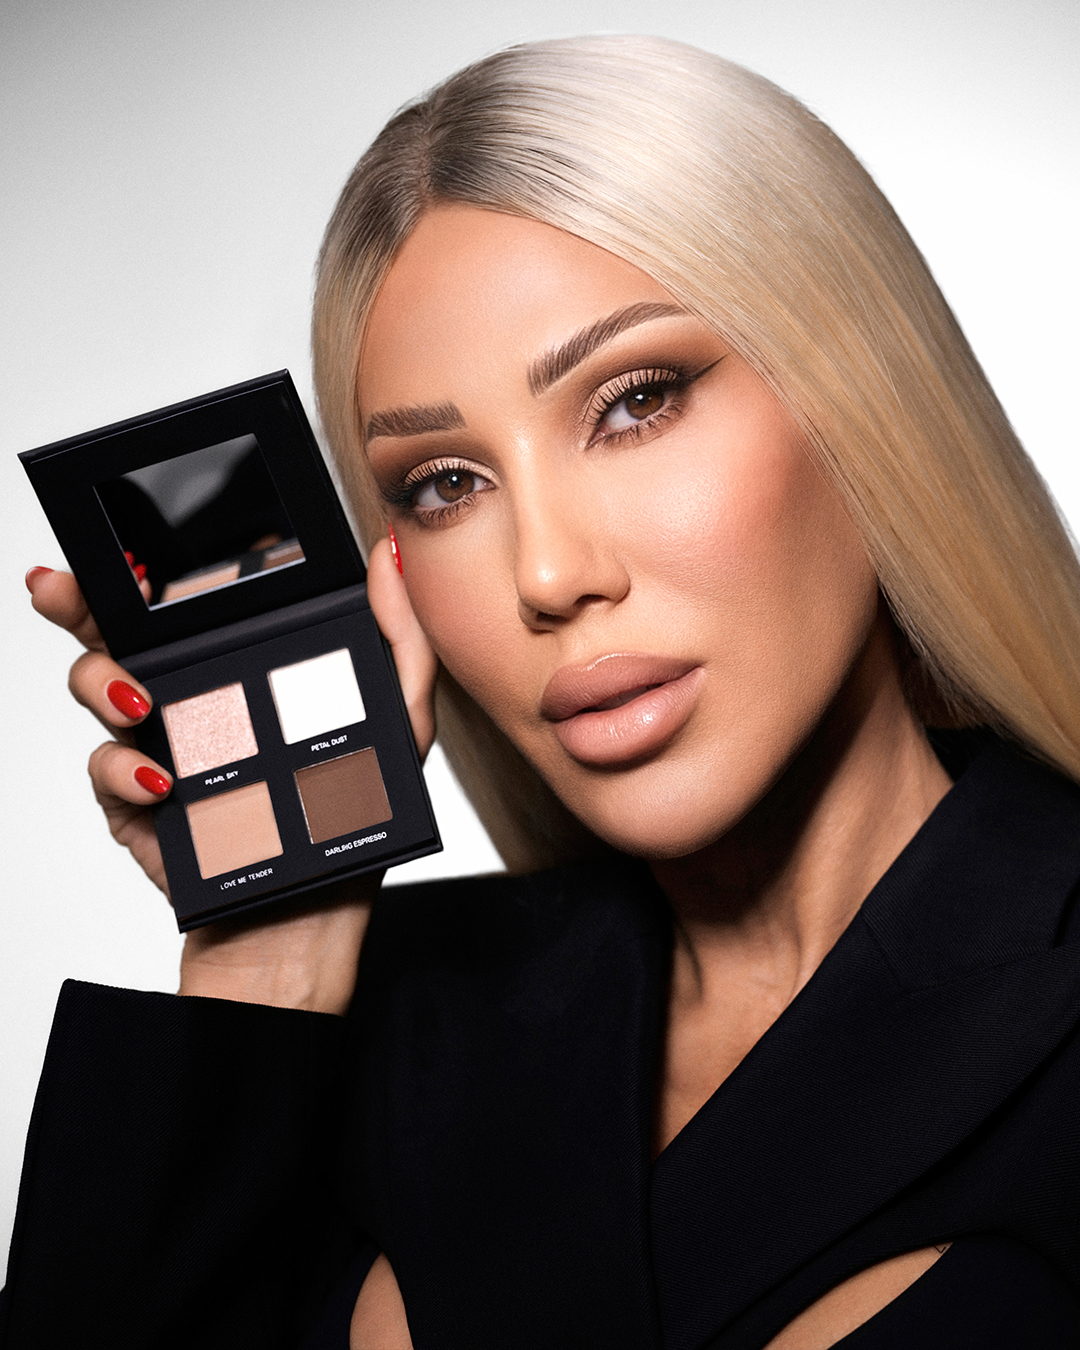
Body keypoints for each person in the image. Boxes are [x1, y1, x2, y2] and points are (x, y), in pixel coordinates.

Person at [7, 33, 1080, 1349]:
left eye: (635, 403)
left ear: (868, 398)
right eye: (444, 484)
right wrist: (267, 964)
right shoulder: (363, 1037)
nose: (550, 574)